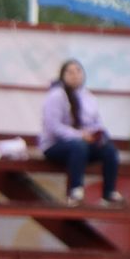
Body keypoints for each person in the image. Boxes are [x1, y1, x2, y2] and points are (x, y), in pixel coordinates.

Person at [40, 60, 122, 206]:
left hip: (83, 143)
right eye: (70, 72)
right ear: (62, 75)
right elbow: (54, 126)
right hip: (55, 145)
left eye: (78, 71)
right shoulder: (56, 96)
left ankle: (109, 193)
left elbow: (96, 122)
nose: (75, 75)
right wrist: (80, 135)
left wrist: (98, 134)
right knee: (78, 146)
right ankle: (75, 191)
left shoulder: (88, 96)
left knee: (109, 149)